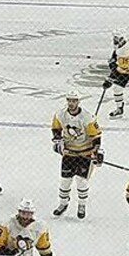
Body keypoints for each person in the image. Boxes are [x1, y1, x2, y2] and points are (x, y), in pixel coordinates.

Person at [51, 91, 103, 219]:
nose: (71, 103)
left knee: (81, 182)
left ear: (78, 102)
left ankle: (81, 205)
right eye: (69, 100)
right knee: (65, 181)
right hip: (69, 153)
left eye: (74, 101)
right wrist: (58, 142)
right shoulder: (60, 115)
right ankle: (63, 204)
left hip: (85, 153)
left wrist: (96, 152)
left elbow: (96, 137)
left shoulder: (87, 117)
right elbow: (56, 129)